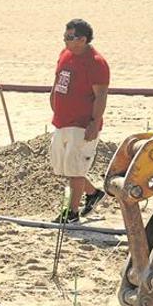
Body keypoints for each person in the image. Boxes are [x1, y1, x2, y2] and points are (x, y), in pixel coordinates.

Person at [49, 18, 110, 223]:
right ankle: (93, 194)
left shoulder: (96, 63)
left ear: (82, 39)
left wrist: (94, 122)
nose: (65, 41)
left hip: (82, 125)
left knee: (75, 171)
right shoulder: (65, 54)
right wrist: (53, 101)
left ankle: (71, 213)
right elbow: (58, 80)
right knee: (66, 168)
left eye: (70, 37)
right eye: (65, 36)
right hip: (62, 121)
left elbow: (101, 95)